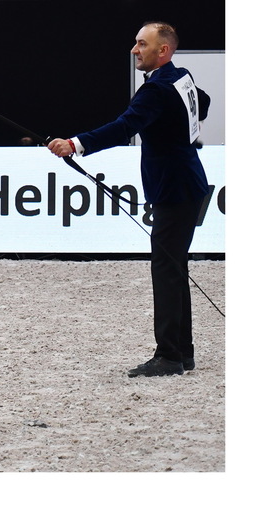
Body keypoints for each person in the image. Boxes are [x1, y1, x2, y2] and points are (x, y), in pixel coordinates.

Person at [47, 21, 211, 378]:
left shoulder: (156, 90)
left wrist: (74, 144)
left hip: (175, 190)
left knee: (166, 270)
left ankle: (170, 356)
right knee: (174, 268)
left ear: (162, 50)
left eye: (142, 44)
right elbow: (205, 103)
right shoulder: (180, 77)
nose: (135, 49)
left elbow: (124, 127)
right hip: (187, 186)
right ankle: (182, 352)